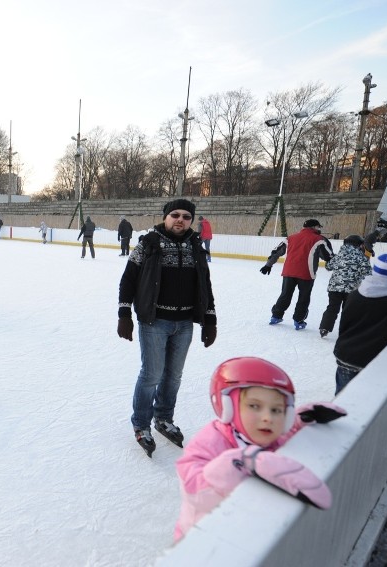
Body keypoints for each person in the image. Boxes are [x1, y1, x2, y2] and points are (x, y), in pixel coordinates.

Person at [174, 357, 342, 541]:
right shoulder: (209, 440)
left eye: (277, 410)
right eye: (254, 406)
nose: (267, 418)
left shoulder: (264, 435)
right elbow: (195, 490)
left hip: (249, 533)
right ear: (228, 407)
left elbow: (279, 441)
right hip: (202, 541)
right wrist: (238, 463)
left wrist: (300, 422)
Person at [118, 198, 217, 457]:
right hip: (155, 321)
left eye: (186, 216)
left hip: (185, 323)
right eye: (175, 215)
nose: (180, 219)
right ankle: (141, 424)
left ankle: (163, 418)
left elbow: (205, 284)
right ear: (165, 216)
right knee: (151, 375)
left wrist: (210, 319)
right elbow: (128, 279)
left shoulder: (196, 246)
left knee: (173, 376)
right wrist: (124, 313)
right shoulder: (148, 244)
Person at [333, 253, 387, 394]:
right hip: (375, 363)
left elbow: (344, 326)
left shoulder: (355, 294)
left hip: (346, 356)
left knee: (344, 403)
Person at [260, 219, 334, 330]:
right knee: (304, 297)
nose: (319, 229)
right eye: (319, 227)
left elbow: (276, 251)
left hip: (289, 272)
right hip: (307, 273)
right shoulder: (320, 240)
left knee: (285, 294)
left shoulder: (290, 238)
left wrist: (268, 265)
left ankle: (276, 316)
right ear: (314, 227)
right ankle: (298, 320)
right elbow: (328, 256)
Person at [318, 235, 372, 338]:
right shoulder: (361, 257)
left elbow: (328, 266)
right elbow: (368, 272)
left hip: (334, 288)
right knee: (348, 310)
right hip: (351, 289)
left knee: (332, 307)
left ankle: (324, 327)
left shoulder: (339, 255)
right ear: (358, 245)